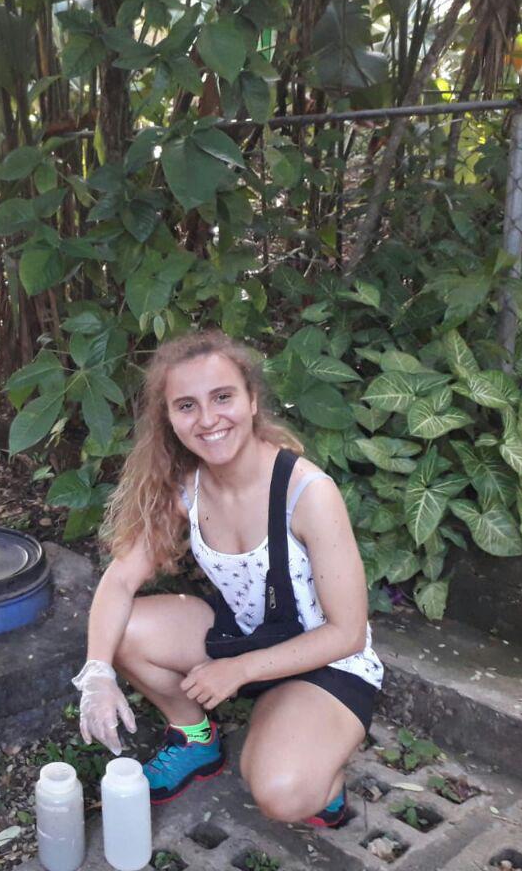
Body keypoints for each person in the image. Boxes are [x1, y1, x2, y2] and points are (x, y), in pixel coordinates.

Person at [70, 330, 382, 827]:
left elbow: (347, 633)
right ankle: (196, 738)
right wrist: (97, 674)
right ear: (169, 418)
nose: (208, 419)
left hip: (327, 661)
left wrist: (239, 671)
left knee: (282, 795)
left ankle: (316, 764)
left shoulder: (309, 493)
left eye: (222, 397)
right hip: (247, 633)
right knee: (122, 630)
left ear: (252, 400)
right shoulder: (185, 488)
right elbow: (120, 581)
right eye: (186, 406)